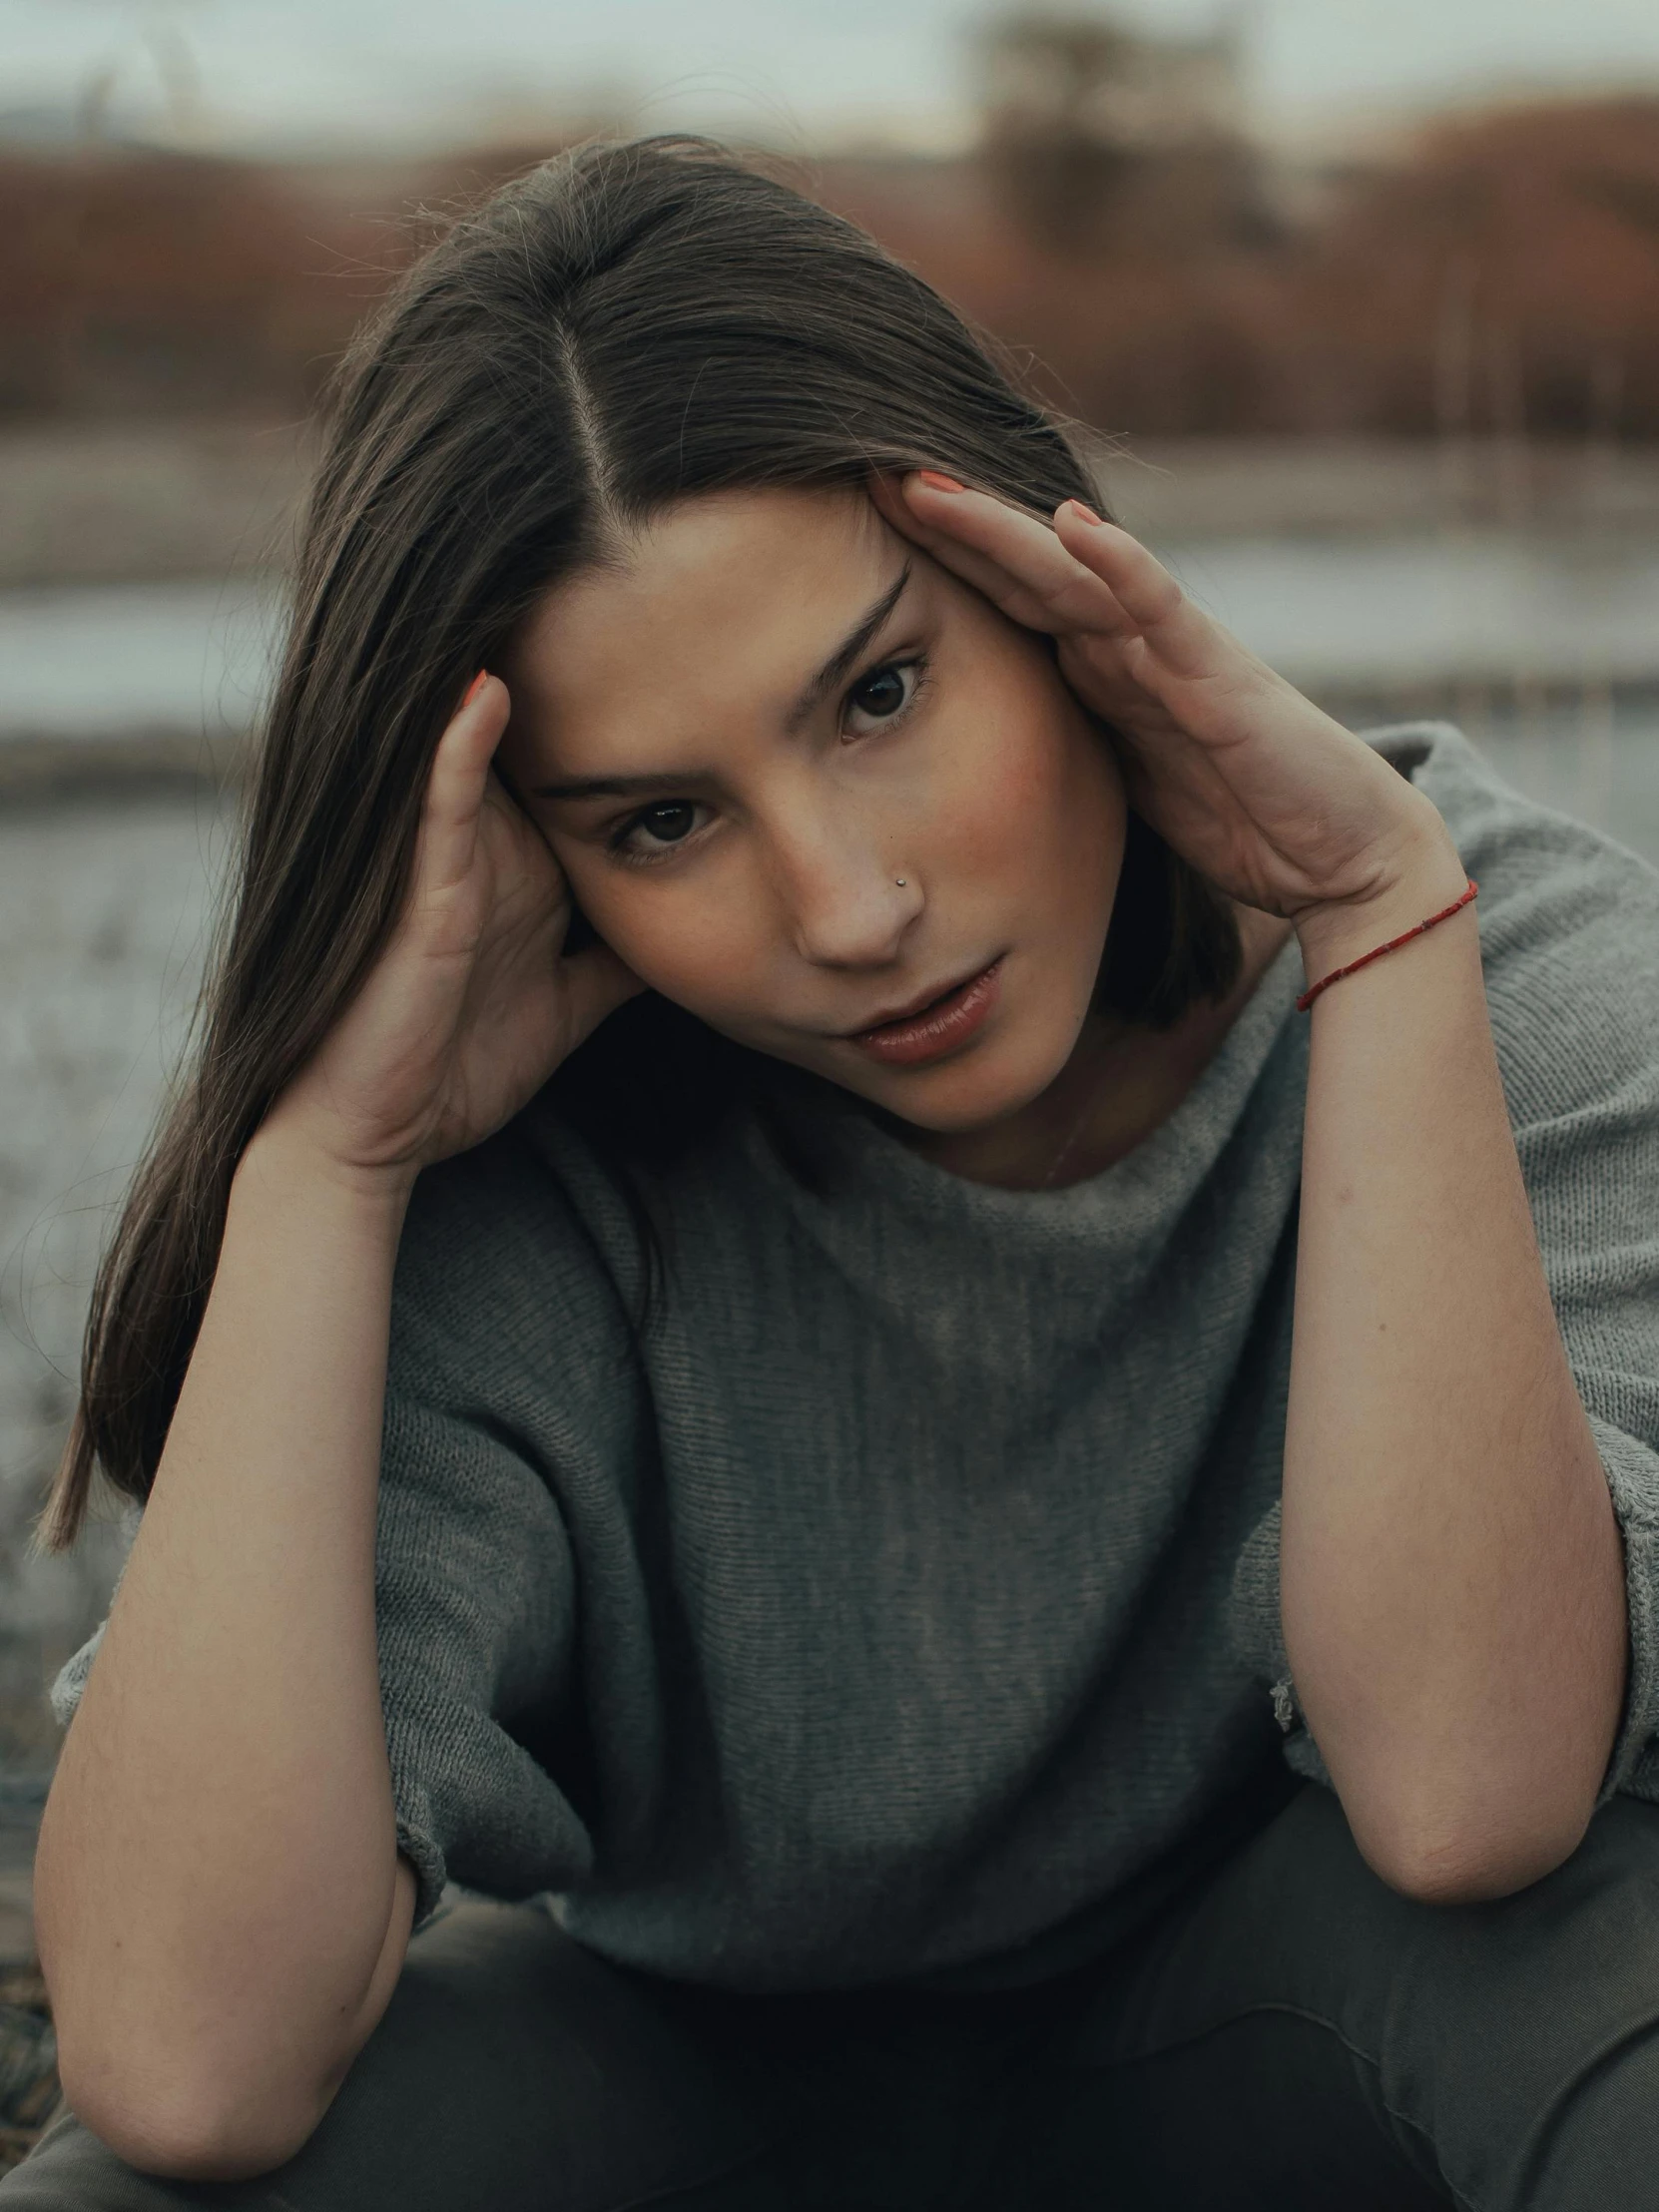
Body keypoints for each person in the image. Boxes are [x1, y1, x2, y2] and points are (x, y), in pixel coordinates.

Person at [5, 135, 1659, 2212]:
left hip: (1279, 2056)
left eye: (880, 694)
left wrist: (1383, 927)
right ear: (539, 862)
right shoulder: (519, 1158)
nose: (853, 905)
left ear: (1049, 581)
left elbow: (1470, 1800)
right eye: (662, 821)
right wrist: (328, 1162)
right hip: (685, 2086)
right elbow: (178, 2057)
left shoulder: (1495, 955)